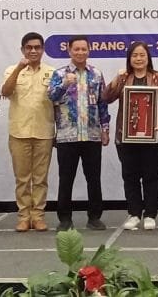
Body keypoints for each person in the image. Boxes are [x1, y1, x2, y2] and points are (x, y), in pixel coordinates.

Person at [103, 41, 158, 231]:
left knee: (151, 176)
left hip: (153, 137)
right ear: (129, 59)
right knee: (130, 176)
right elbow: (106, 97)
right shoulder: (124, 78)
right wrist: (116, 79)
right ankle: (134, 213)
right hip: (126, 137)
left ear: (148, 58)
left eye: (142, 55)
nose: (138, 59)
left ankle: (150, 214)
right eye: (135, 55)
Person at [48, 36, 111, 232]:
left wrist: (105, 129)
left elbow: (102, 103)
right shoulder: (60, 73)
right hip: (67, 135)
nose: (80, 52)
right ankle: (65, 219)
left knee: (94, 178)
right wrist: (64, 84)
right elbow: (51, 96)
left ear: (89, 51)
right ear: (69, 51)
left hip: (92, 135)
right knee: (66, 178)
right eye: (76, 49)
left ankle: (95, 217)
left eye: (84, 49)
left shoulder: (96, 74)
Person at [1, 32, 56, 233]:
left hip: (44, 131)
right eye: (29, 47)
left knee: (40, 178)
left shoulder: (52, 73)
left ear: (42, 50)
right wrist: (19, 68)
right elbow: (5, 92)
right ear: (23, 50)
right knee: (22, 178)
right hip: (19, 132)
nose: (33, 51)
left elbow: (59, 100)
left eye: (37, 47)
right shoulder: (12, 70)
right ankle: (24, 216)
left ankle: (38, 216)